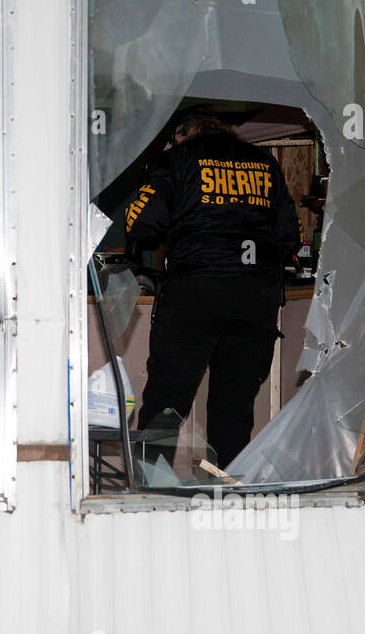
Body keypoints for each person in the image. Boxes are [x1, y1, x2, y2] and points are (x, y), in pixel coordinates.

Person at [124, 115, 302, 467]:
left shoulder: (177, 159)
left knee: (166, 402)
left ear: (180, 136)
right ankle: (228, 491)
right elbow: (289, 236)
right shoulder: (264, 162)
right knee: (234, 408)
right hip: (256, 298)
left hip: (194, 293)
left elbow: (141, 223)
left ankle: (150, 487)